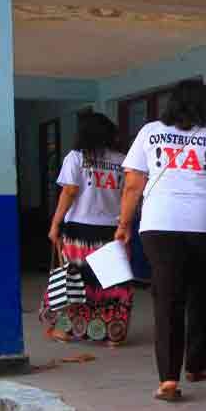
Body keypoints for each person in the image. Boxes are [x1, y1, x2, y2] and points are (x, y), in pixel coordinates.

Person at [116, 81, 206, 402]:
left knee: (168, 299)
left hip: (159, 225)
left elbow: (133, 184)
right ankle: (196, 366)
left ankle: (168, 380)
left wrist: (123, 224)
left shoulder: (150, 132)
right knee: (201, 294)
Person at [42, 112, 133, 345]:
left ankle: (64, 330)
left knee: (74, 281)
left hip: (79, 231)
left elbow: (69, 191)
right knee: (112, 283)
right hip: (111, 231)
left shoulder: (75, 157)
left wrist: (55, 224)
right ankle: (114, 334)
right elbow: (128, 194)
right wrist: (126, 224)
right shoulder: (122, 160)